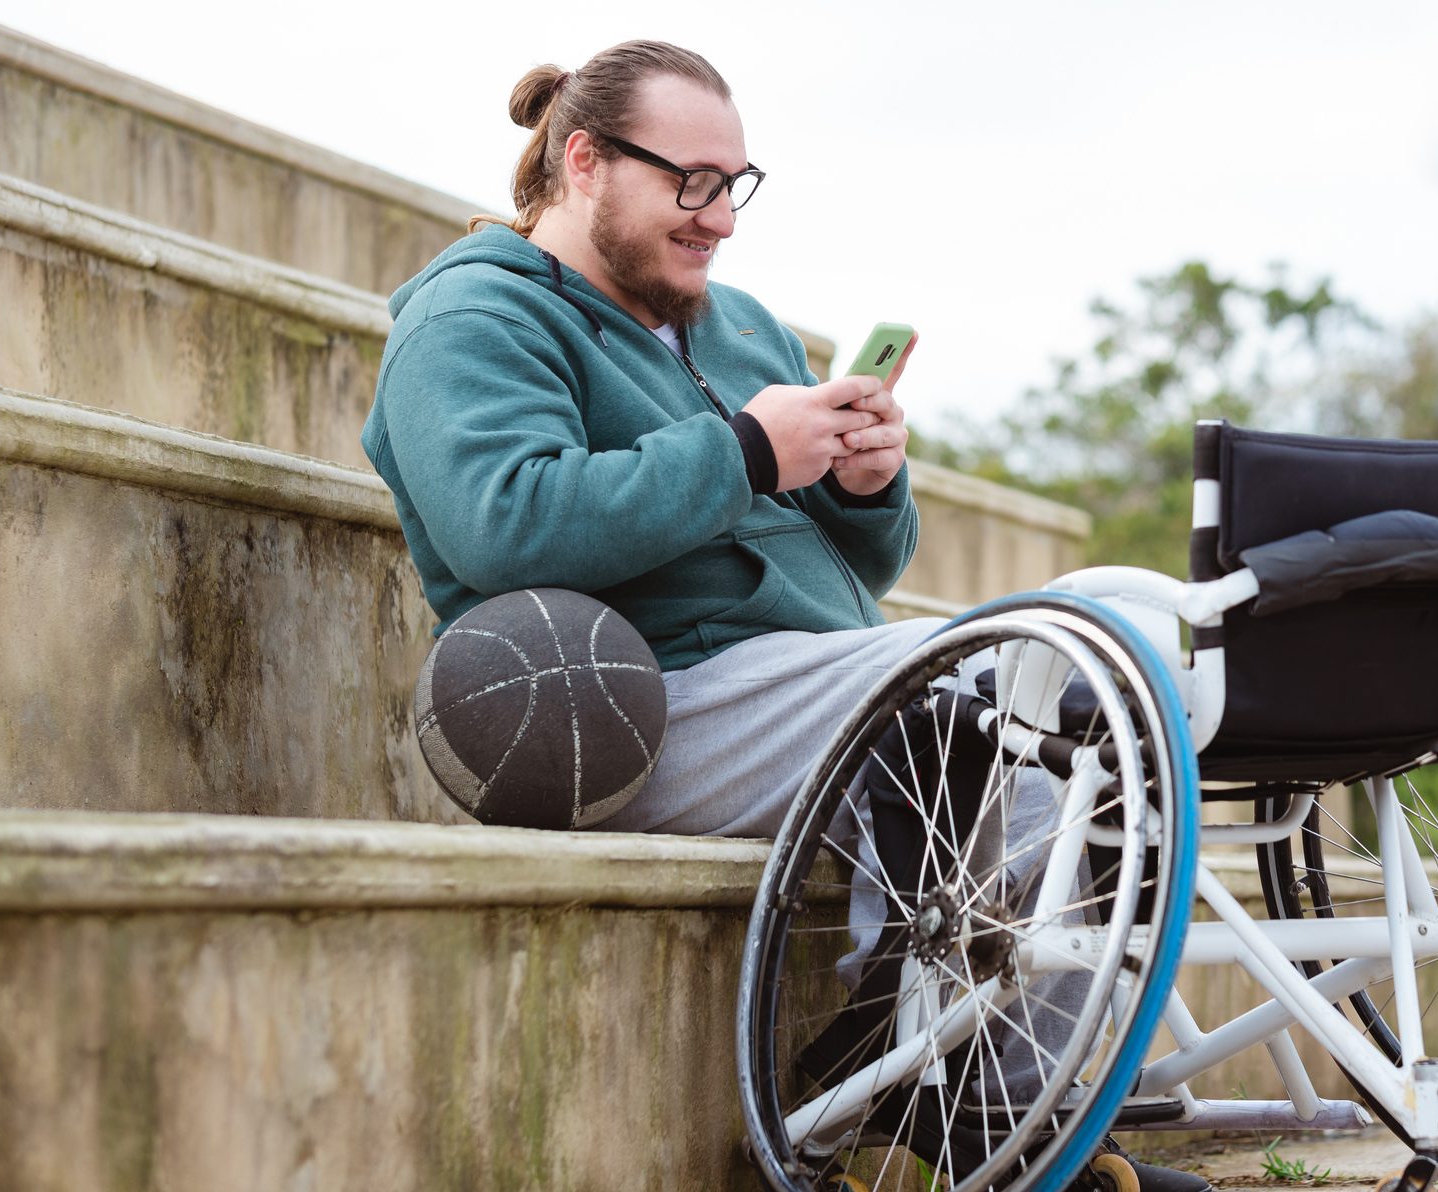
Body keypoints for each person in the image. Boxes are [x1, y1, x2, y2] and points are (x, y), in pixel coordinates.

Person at [360, 40, 1211, 1192]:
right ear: (584, 161)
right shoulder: (470, 319)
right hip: (643, 700)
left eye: (735, 186)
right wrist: (750, 450)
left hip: (809, 679)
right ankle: (975, 1107)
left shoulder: (738, 322)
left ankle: (1008, 1101)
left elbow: (863, 561)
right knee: (1027, 660)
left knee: (1086, 655)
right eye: (691, 182)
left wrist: (867, 485)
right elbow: (504, 524)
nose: (718, 217)